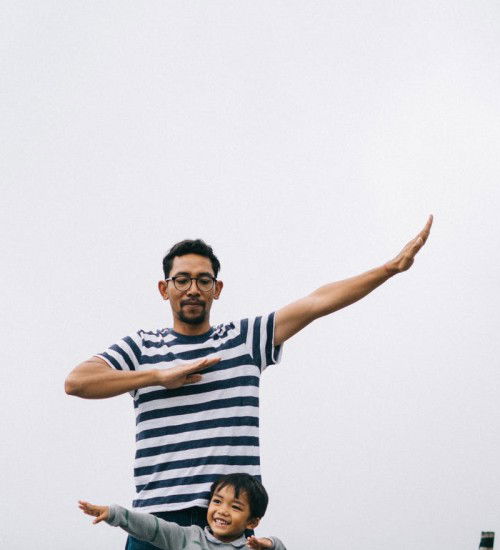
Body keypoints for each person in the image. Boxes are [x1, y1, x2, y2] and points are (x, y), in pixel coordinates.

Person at [65, 215, 433, 549]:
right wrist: (159, 376)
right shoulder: (142, 347)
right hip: (155, 522)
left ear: (217, 288)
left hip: (228, 524)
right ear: (164, 289)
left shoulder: (244, 340)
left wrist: (390, 268)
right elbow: (77, 381)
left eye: (203, 280)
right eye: (182, 280)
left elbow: (316, 302)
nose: (193, 288)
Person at [79, 473, 286, 550]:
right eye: (217, 502)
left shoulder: (251, 547)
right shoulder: (189, 537)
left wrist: (269, 544)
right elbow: (154, 527)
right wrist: (115, 514)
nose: (222, 511)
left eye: (235, 507)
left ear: (252, 522)